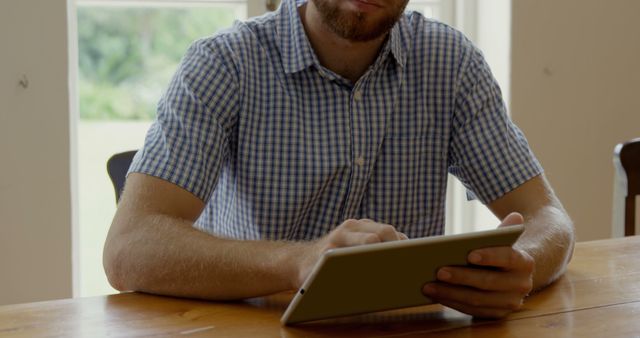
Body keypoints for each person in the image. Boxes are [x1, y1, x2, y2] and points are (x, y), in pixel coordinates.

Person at [103, 0, 574, 319]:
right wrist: (297, 261)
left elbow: (549, 216)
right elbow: (128, 248)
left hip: (406, 329)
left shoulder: (452, 64)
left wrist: (523, 263)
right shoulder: (224, 63)